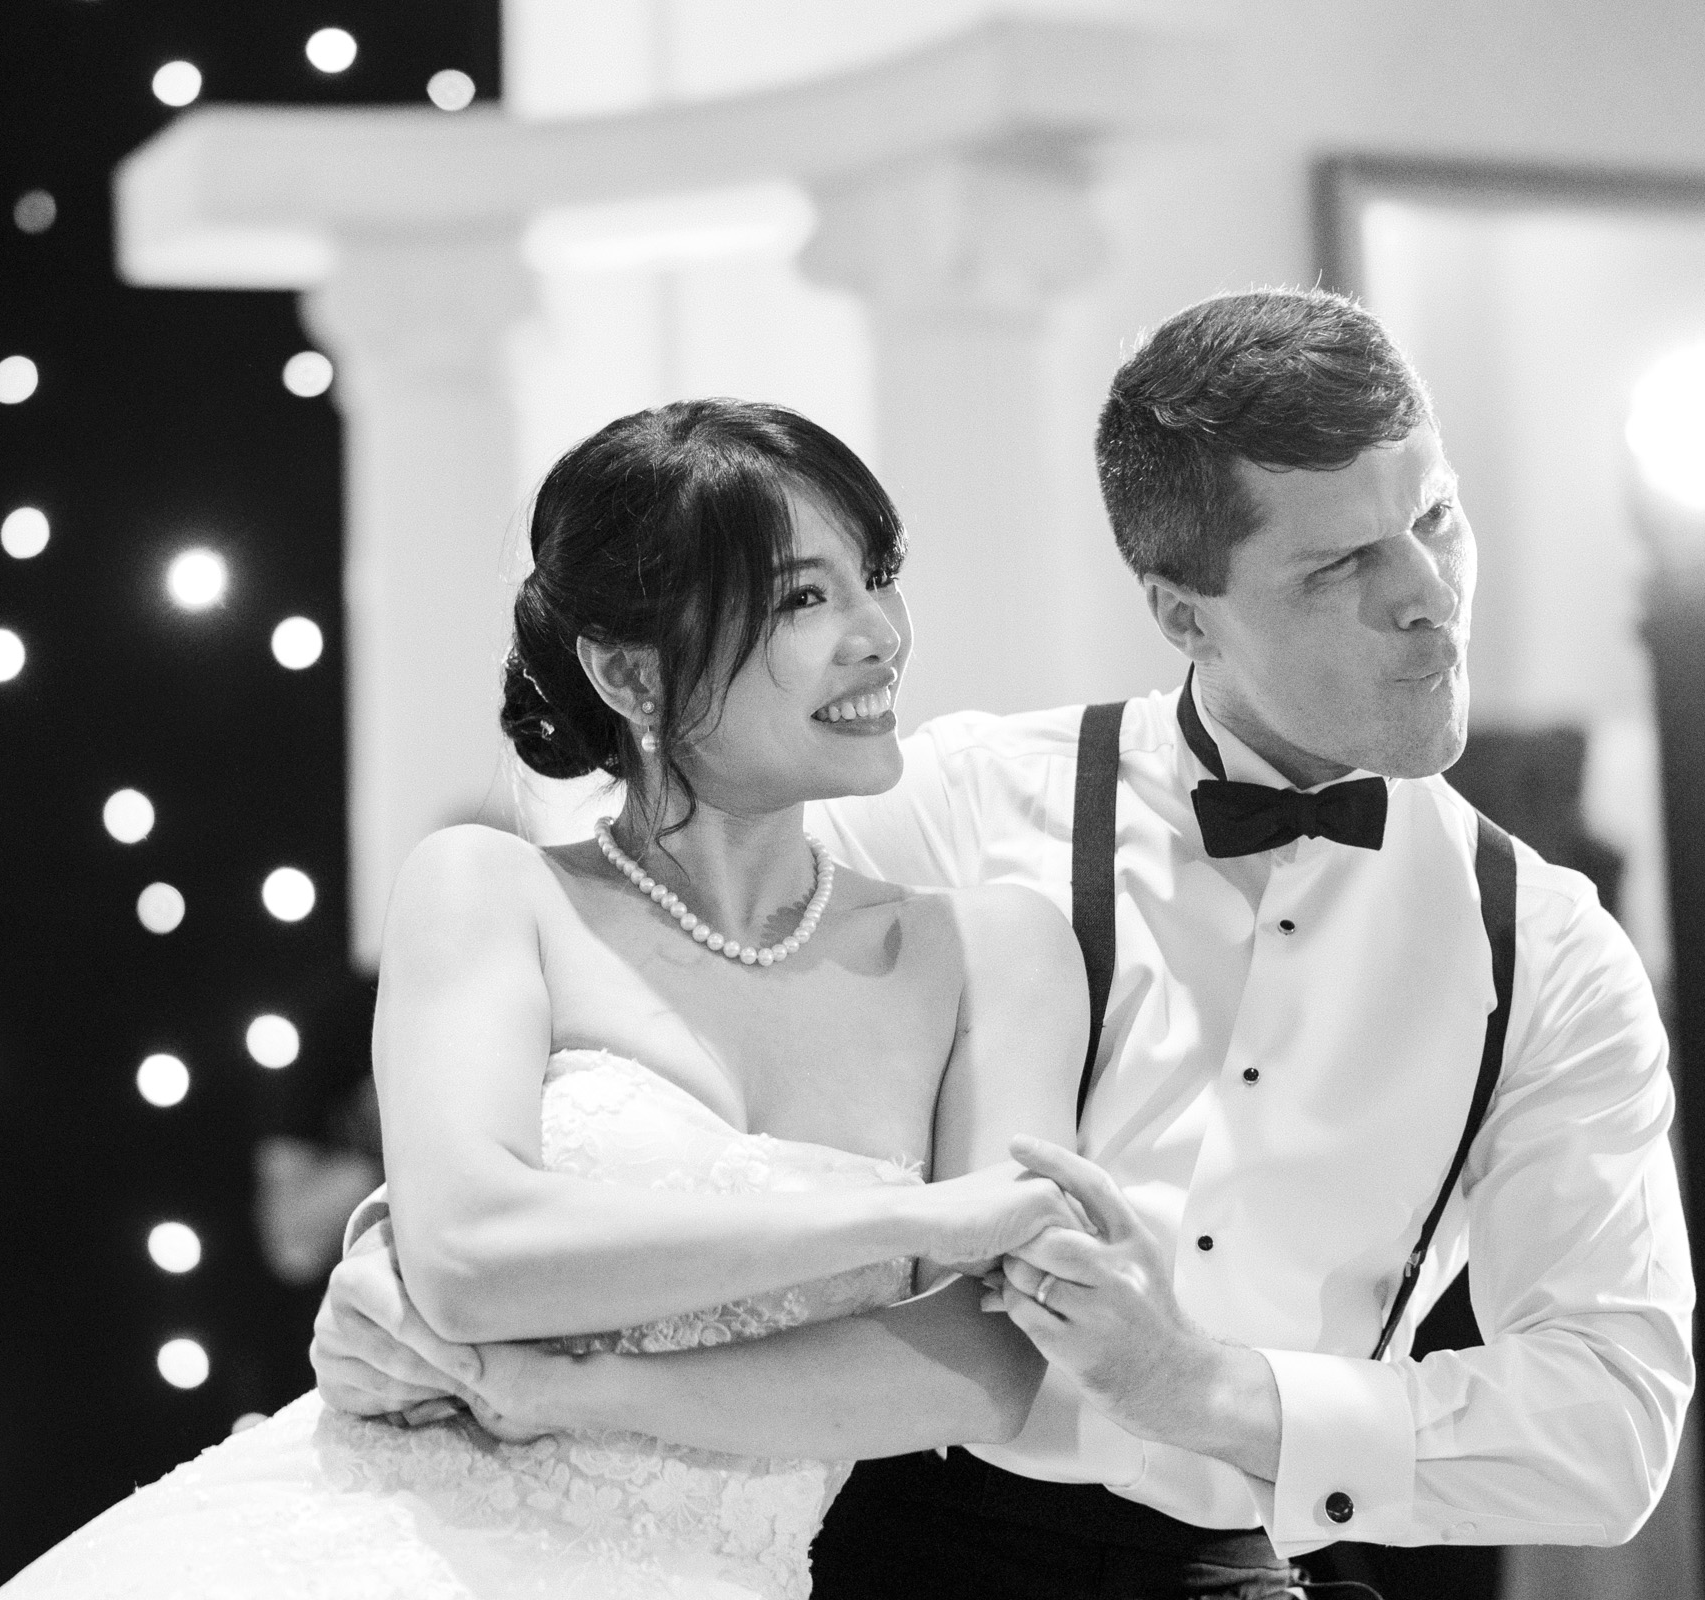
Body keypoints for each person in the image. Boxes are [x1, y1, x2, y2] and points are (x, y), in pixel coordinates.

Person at [313, 288, 1696, 1599]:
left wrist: (1207, 1390)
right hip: (875, 1545)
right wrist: (405, 1248)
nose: (1429, 596)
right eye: (1342, 562)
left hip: (1246, 1564)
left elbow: (1612, 1426)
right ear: (1178, 608)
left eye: (1437, 519)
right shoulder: (945, 811)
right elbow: (655, 997)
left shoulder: (1551, 953)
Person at [0, 400, 1097, 1600]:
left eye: (876, 577)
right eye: (802, 598)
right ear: (629, 671)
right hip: (383, 1538)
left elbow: (986, 1366)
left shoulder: (993, 949)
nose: (880, 634)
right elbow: (470, 1255)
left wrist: (583, 1388)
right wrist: (914, 1224)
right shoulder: (490, 890)